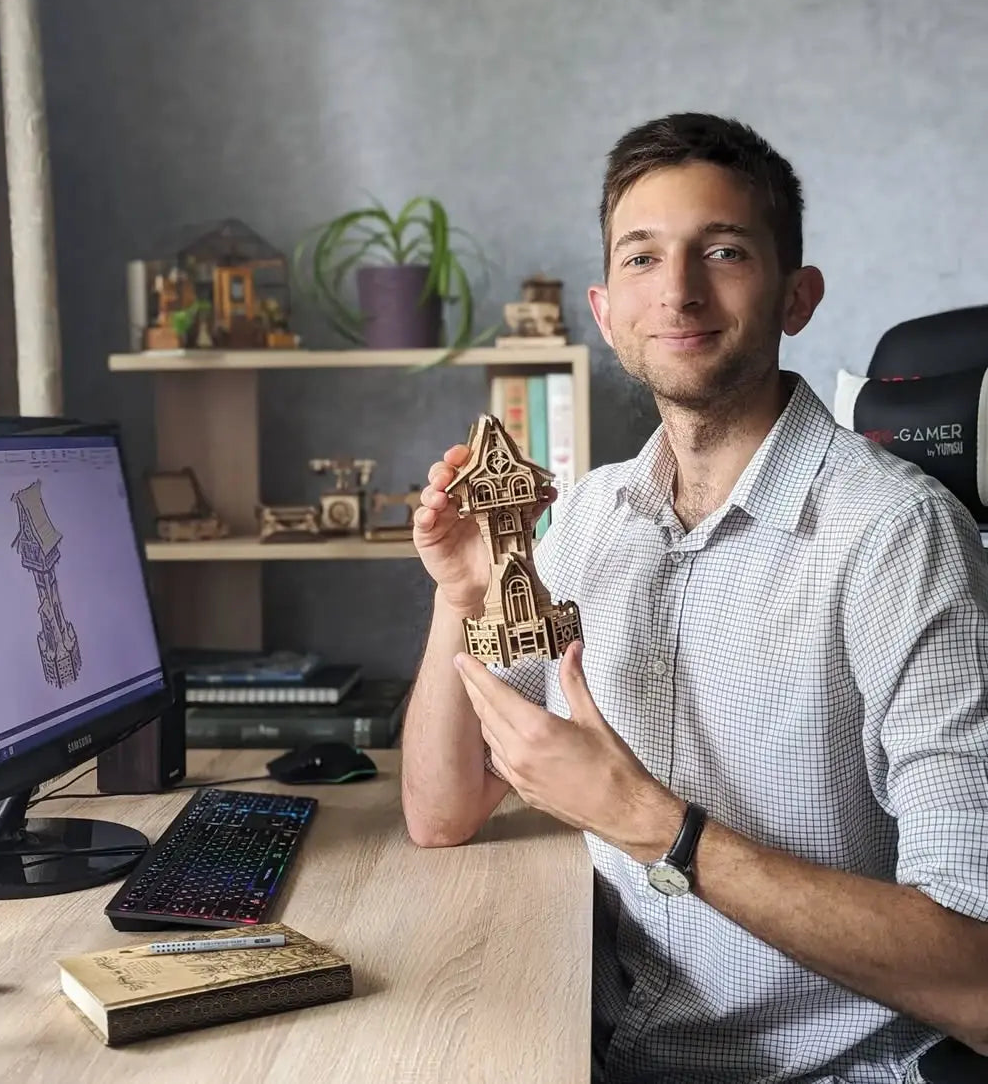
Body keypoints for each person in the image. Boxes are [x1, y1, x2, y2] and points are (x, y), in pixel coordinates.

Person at [400, 112, 988, 1083]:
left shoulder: (899, 540)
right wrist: (460, 596)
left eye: (721, 250)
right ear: (603, 308)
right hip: (601, 1049)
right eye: (641, 257)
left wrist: (647, 820)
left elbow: (975, 973)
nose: (677, 291)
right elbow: (441, 810)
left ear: (797, 296)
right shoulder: (586, 519)